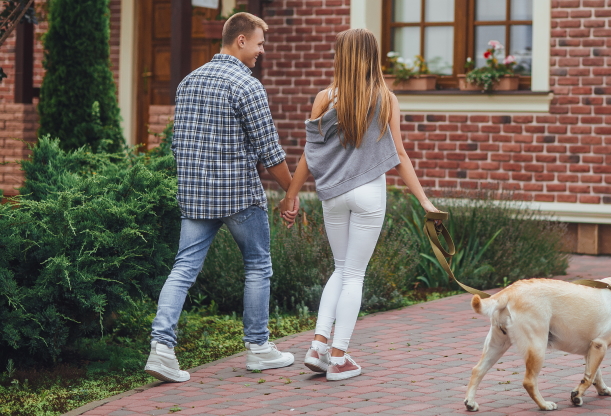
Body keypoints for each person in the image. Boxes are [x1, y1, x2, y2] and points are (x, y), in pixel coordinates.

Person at [144, 12, 298, 383]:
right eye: (259, 43)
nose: (262, 50)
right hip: (239, 197)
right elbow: (270, 151)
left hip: (196, 198)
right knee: (258, 266)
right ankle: (259, 349)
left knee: (182, 270)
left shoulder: (188, 82)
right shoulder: (246, 86)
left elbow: (179, 145)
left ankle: (161, 349)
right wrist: (291, 193)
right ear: (240, 40)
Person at [279, 28, 440, 381]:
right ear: (373, 57)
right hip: (369, 194)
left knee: (340, 269)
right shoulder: (386, 98)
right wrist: (425, 201)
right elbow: (399, 155)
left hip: (333, 195)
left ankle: (318, 346)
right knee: (354, 275)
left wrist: (291, 195)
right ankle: (338, 358)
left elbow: (310, 154)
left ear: (341, 56)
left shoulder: (324, 97)